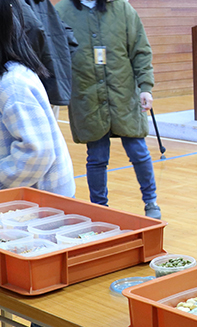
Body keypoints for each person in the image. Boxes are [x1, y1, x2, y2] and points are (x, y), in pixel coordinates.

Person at [0, 0, 74, 327]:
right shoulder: (12, 78)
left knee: (41, 285)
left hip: (42, 204)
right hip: (37, 202)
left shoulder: (11, 85)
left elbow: (37, 151)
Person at [56, 0, 161, 219]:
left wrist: (145, 87)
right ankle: (100, 209)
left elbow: (140, 49)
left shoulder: (122, 8)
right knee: (97, 156)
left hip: (123, 94)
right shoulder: (62, 11)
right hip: (87, 96)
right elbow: (55, 55)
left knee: (138, 151)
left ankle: (151, 202)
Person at [21, 0, 77, 118]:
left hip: (29, 83)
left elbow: (34, 28)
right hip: (52, 81)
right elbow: (69, 37)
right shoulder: (44, 4)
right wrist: (59, 63)